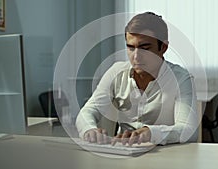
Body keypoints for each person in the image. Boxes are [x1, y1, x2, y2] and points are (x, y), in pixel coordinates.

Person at [75, 12, 198, 146]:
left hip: (164, 155)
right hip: (123, 152)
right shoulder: (116, 72)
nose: (136, 56)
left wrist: (150, 133)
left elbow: (188, 131)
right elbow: (88, 111)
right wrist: (89, 129)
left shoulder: (181, 79)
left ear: (163, 47)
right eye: (130, 47)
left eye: (145, 48)